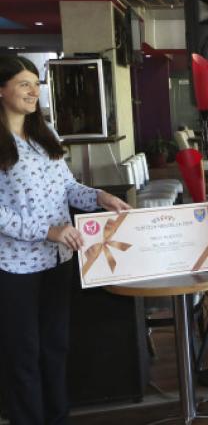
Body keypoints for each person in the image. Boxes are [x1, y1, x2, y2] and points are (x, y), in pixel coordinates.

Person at [0, 56, 129, 425]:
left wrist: (99, 197)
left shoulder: (47, 135)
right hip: (15, 268)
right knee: (23, 356)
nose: (33, 91)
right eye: (24, 84)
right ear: (1, 89)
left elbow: (68, 188)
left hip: (58, 261)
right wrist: (48, 230)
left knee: (55, 348)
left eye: (35, 83)